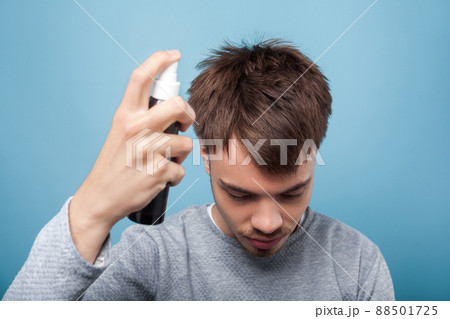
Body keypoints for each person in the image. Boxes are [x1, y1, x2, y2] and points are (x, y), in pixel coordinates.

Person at [2, 38, 395, 301]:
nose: (268, 223)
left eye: (292, 192)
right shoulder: (153, 258)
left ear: (314, 156)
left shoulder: (357, 262)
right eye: (240, 193)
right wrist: (89, 213)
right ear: (204, 158)